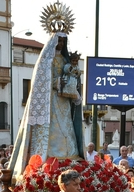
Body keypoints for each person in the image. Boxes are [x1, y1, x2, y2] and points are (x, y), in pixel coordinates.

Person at [9, 32, 85, 175]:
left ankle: (70, 155)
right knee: (54, 129)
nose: (61, 44)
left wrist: (72, 81)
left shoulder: (64, 59)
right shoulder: (45, 60)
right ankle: (51, 156)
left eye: (63, 41)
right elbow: (40, 82)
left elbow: (70, 74)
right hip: (50, 102)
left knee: (67, 128)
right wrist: (56, 82)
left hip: (64, 101)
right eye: (59, 41)